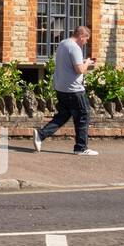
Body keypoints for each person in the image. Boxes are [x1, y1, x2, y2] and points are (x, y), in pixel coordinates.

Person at [34, 24, 99, 156]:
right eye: (86, 39)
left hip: (61, 88)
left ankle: (41, 135)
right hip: (74, 89)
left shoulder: (63, 43)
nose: (86, 42)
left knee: (63, 115)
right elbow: (79, 69)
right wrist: (87, 62)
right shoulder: (75, 48)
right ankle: (81, 148)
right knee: (83, 115)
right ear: (81, 36)